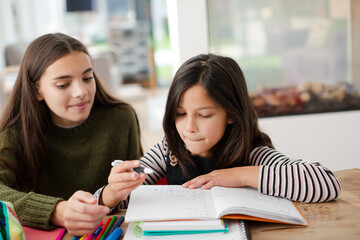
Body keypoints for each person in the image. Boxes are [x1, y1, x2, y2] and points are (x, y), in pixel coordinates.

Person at [98, 53, 341, 209]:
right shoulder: (169, 150)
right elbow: (119, 201)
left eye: (204, 115)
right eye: (180, 114)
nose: (189, 127)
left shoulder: (252, 153)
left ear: (232, 114)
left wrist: (240, 176)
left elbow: (327, 183)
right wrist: (112, 192)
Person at [0, 33, 142, 235]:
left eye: (87, 77)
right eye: (63, 84)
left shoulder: (121, 120)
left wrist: (115, 192)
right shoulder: (14, 133)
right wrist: (57, 211)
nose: (81, 92)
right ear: (36, 91)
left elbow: (135, 196)